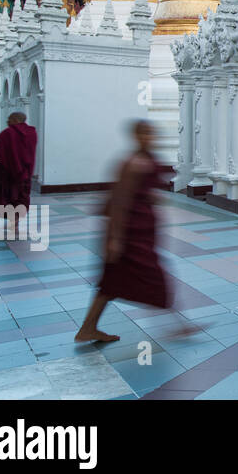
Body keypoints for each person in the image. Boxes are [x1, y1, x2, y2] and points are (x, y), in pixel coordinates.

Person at [75, 121, 178, 343]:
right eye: (144, 134)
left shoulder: (147, 160)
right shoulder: (132, 163)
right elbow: (120, 201)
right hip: (128, 237)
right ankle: (179, 325)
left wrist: (150, 197)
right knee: (146, 279)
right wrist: (115, 239)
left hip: (141, 234)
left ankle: (88, 328)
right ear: (136, 136)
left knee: (111, 284)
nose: (149, 138)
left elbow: (146, 189)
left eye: (151, 134)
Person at [0, 112, 38, 236]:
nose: (7, 121)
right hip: (25, 173)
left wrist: (9, 163)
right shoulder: (32, 133)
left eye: (9, 119)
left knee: (7, 196)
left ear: (16, 119)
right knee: (20, 197)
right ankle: (15, 222)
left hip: (7, 173)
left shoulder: (7, 133)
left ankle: (12, 222)